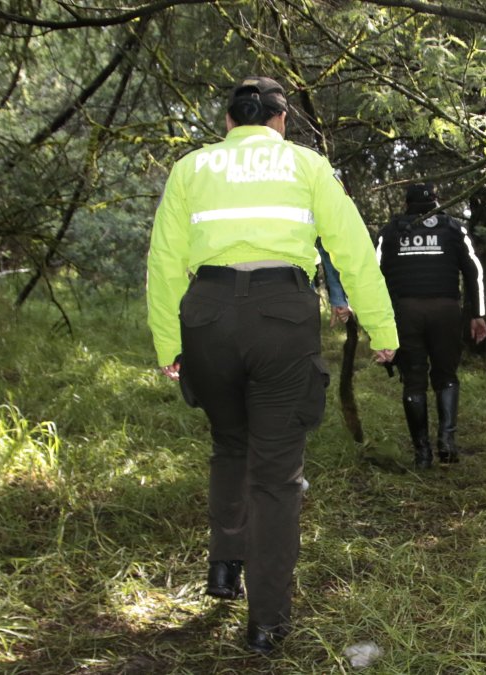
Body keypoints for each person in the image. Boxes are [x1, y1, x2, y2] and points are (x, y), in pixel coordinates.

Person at [146, 75, 397, 654]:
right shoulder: (306, 166)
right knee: (276, 477)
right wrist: (382, 328)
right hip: (282, 317)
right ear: (281, 122)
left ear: (230, 122)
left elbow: (163, 262)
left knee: (231, 445)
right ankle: (266, 623)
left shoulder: (192, 168)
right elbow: (352, 249)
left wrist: (169, 344)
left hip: (207, 318)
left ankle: (223, 569)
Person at [375, 183, 486, 469]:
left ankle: (422, 454)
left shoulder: (391, 231)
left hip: (406, 312)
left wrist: (378, 324)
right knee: (446, 374)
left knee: (413, 380)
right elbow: (474, 271)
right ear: (436, 202)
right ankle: (447, 442)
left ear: (406, 204)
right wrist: (478, 314)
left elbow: (373, 274)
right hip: (446, 310)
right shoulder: (452, 228)